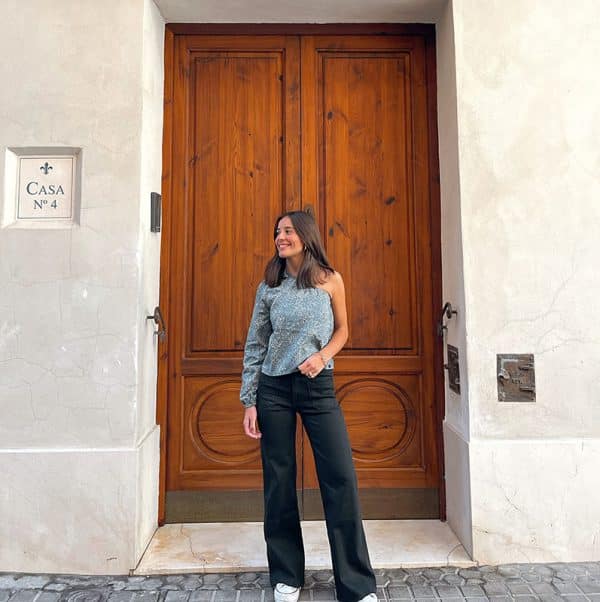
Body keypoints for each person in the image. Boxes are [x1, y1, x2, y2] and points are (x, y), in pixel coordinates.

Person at [240, 210, 377, 602]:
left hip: (318, 387)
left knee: (340, 478)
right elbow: (255, 344)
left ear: (305, 236)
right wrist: (250, 400)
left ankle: (356, 583)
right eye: (277, 232)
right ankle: (286, 575)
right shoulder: (269, 286)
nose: (280, 237)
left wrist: (323, 356)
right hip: (274, 390)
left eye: (287, 231)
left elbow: (343, 329)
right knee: (279, 481)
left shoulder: (330, 280)